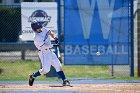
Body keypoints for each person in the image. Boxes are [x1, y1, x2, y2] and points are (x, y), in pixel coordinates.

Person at [29, 20, 70, 86]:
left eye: (39, 26)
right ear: (34, 29)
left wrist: (55, 37)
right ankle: (33, 76)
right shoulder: (36, 37)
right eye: (38, 28)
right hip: (43, 53)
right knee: (46, 70)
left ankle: (64, 80)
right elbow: (44, 46)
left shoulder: (43, 29)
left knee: (58, 66)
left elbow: (50, 32)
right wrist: (53, 45)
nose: (40, 28)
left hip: (49, 52)